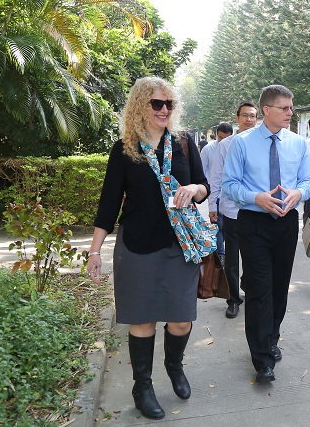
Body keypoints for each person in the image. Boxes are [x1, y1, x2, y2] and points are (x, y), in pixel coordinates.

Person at [86, 77, 209, 419]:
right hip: (137, 246)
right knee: (143, 321)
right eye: (157, 103)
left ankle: (174, 365)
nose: (164, 110)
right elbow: (108, 206)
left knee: (181, 319)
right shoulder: (125, 149)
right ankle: (142, 386)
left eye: (169, 104)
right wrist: (94, 253)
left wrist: (193, 189)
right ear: (140, 106)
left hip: (180, 245)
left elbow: (204, 186)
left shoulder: (183, 143)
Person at [221, 85, 310, 383]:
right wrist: (255, 197)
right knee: (259, 289)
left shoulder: (297, 144)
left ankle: (272, 336)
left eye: (291, 107)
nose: (290, 113)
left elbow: (308, 180)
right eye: (284, 108)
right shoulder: (242, 143)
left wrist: (298, 193)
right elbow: (229, 185)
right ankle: (262, 359)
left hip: (286, 223)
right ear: (267, 110)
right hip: (253, 222)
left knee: (279, 286)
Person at [209, 102, 259, 319]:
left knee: (254, 255)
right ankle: (233, 299)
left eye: (252, 116)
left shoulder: (262, 142)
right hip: (232, 210)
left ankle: (249, 288)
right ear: (237, 118)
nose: (249, 120)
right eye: (245, 115)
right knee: (232, 257)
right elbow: (216, 176)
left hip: (256, 209)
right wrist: (213, 205)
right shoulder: (225, 145)